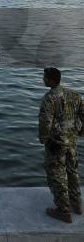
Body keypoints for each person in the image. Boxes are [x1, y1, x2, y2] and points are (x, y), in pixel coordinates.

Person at [39, 67, 84, 223]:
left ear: (51, 80)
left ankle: (63, 211)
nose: (42, 80)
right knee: (72, 173)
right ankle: (77, 205)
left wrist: (44, 139)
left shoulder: (49, 98)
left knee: (56, 176)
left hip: (56, 144)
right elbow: (83, 116)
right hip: (71, 142)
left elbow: (46, 123)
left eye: (44, 77)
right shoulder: (75, 95)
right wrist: (80, 133)